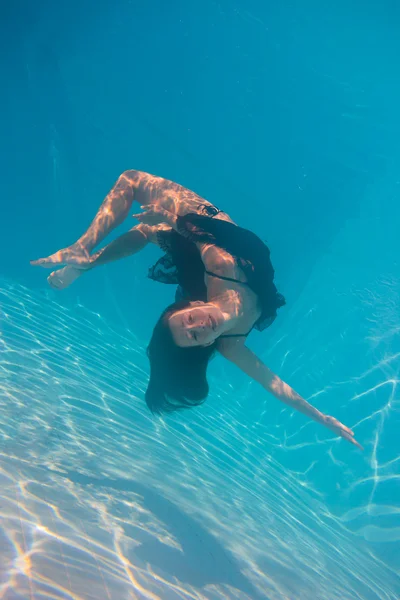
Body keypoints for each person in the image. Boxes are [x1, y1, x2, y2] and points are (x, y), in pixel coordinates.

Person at [31, 170, 362, 449]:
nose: (198, 326)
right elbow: (272, 383)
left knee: (133, 186)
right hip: (217, 269)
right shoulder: (231, 344)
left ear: (194, 306)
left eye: (188, 319)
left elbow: (203, 236)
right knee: (149, 230)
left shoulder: (221, 266)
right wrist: (322, 418)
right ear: (204, 345)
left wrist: (172, 219)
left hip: (214, 234)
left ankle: (82, 252)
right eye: (193, 336)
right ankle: (84, 263)